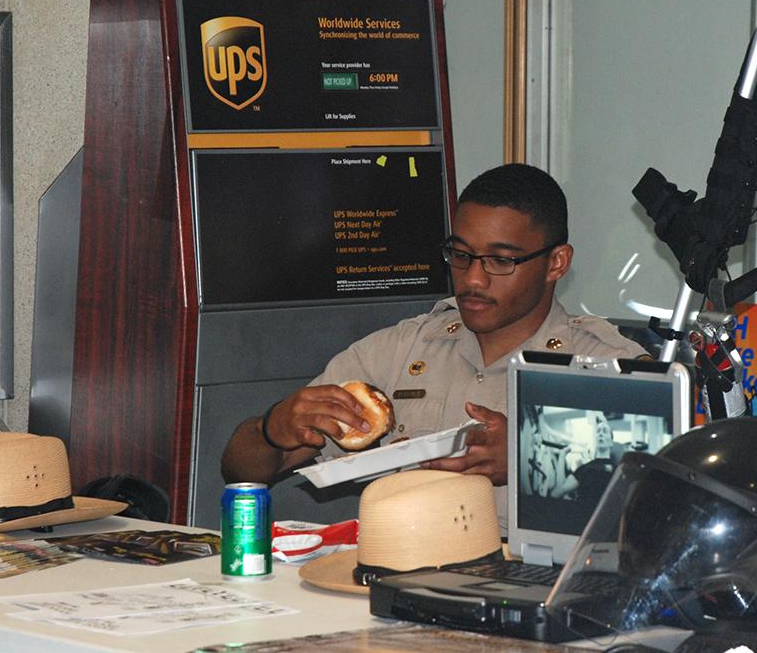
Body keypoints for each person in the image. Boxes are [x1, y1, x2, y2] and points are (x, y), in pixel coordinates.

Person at [221, 163, 646, 499]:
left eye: (501, 260)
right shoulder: (398, 352)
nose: (473, 279)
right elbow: (242, 471)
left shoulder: (606, 366)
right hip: (398, 576)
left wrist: (532, 458)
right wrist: (273, 427)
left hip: (538, 588)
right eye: (460, 255)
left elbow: (665, 483)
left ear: (556, 263)